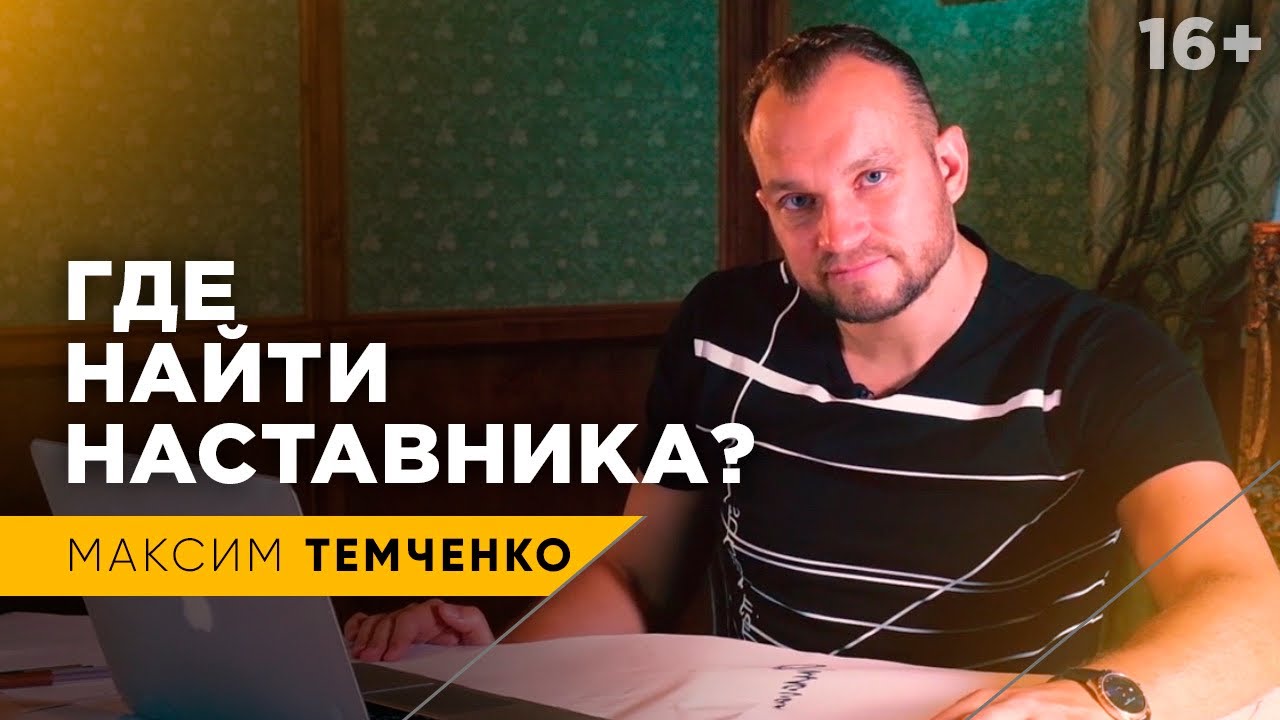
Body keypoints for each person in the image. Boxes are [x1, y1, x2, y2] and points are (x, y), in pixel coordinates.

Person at [345, 24, 1280, 720]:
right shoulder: (719, 327)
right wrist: (498, 671)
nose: (838, 234)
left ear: (949, 165)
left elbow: (1249, 603)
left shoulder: (1102, 352)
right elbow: (634, 575)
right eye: (799, 200)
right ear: (767, 205)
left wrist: (1090, 705)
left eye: (873, 177)